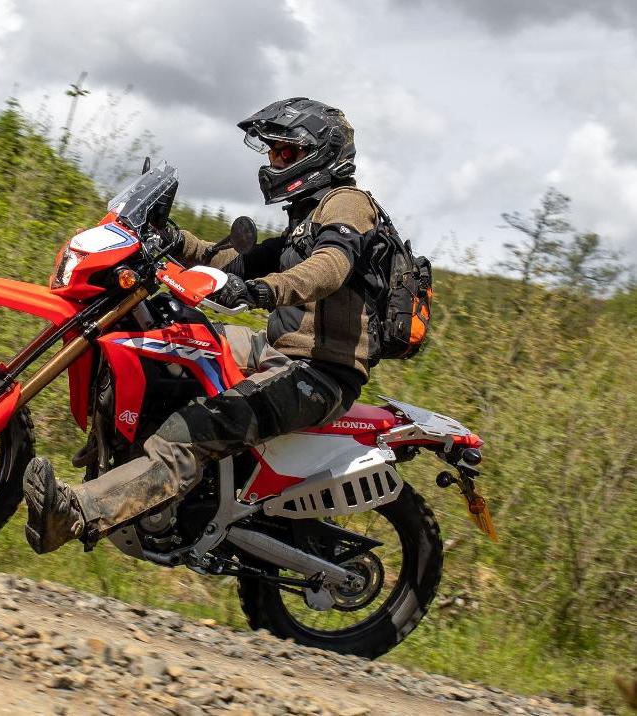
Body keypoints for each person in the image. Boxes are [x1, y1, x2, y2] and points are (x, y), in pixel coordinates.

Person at [24, 97, 388, 554]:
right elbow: (238, 262)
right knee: (160, 338)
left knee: (188, 433)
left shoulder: (347, 205)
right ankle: (120, 457)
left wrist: (262, 292)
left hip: (321, 374)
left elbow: (331, 266)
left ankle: (76, 514)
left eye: (285, 153)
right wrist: (173, 240)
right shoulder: (307, 217)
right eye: (273, 152)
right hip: (272, 349)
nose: (275, 162)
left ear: (321, 153)